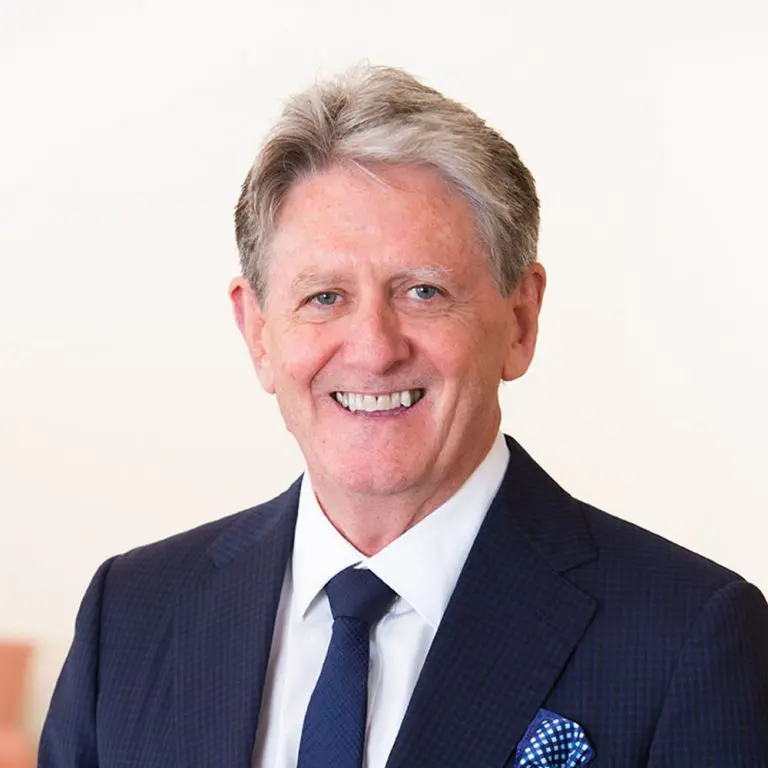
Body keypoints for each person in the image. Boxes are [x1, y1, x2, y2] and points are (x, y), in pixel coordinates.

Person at [40, 65, 768, 767]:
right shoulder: (131, 613)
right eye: (324, 297)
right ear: (258, 333)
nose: (374, 349)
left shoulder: (688, 635)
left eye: (423, 291)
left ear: (520, 320)